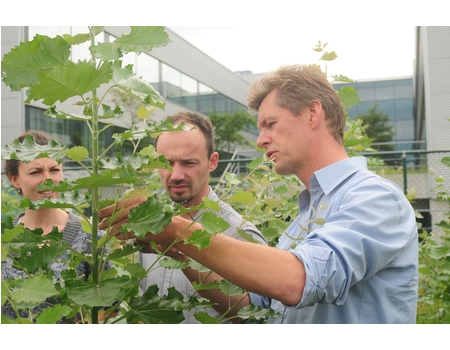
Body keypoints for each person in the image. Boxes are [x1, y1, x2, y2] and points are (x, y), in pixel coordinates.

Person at [99, 65, 419, 324]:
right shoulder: (307, 216)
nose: (260, 140)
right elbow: (252, 305)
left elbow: (300, 280)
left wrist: (179, 231)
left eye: (270, 124)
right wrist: (180, 251)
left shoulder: (374, 198)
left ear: (312, 113)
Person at [137, 111, 267, 324]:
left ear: (212, 162)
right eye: (166, 163)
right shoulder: (149, 228)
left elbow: (257, 321)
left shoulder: (240, 235)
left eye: (188, 163)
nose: (176, 175)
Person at [1, 130, 108, 323]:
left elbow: (109, 307)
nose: (48, 179)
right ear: (14, 179)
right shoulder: (4, 240)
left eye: (54, 170)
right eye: (35, 172)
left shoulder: (89, 236)